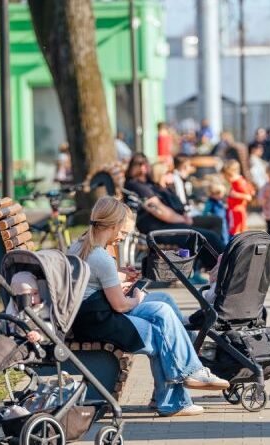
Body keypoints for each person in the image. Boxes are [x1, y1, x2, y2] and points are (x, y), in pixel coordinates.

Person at [68, 197, 229, 416]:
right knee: (160, 324)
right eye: (123, 233)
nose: (123, 238)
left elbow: (93, 283)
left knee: (164, 301)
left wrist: (119, 277)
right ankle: (180, 390)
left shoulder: (80, 245)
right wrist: (138, 298)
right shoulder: (100, 257)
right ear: (113, 225)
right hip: (99, 320)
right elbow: (121, 305)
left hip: (91, 314)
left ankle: (189, 358)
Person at [124, 153, 225, 270]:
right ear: (136, 167)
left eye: (146, 164)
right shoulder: (136, 185)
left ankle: (214, 267)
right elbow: (159, 210)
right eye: (142, 164)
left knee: (209, 230)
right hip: (158, 228)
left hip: (167, 224)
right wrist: (182, 219)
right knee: (206, 236)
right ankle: (226, 265)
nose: (146, 167)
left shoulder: (147, 183)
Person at [223, 159, 255, 237]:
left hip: (236, 210)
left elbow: (248, 197)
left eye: (227, 175)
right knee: (241, 230)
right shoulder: (241, 180)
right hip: (238, 209)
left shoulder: (238, 182)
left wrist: (235, 195)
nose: (226, 178)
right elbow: (252, 190)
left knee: (235, 232)